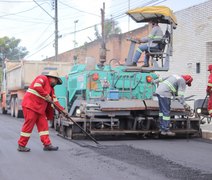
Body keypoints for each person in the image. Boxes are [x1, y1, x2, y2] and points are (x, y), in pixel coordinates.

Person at [17, 71, 67, 152]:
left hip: (40, 109)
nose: (56, 83)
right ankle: (21, 145)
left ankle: (47, 144)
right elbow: (37, 86)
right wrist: (46, 95)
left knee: (44, 126)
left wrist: (63, 110)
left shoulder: (51, 89)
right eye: (56, 81)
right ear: (51, 78)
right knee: (29, 125)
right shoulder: (42, 78)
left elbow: (55, 102)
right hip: (30, 105)